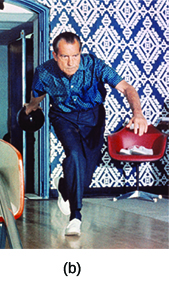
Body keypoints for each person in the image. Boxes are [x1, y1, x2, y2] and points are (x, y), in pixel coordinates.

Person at [24, 31, 148, 236]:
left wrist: (138, 113)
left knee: (87, 172)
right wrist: (30, 108)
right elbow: (37, 96)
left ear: (81, 53)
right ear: (55, 55)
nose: (71, 62)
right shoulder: (44, 72)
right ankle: (75, 217)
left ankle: (64, 186)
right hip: (63, 117)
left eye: (75, 55)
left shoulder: (94, 65)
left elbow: (126, 88)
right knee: (74, 155)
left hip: (93, 118)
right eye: (64, 56)